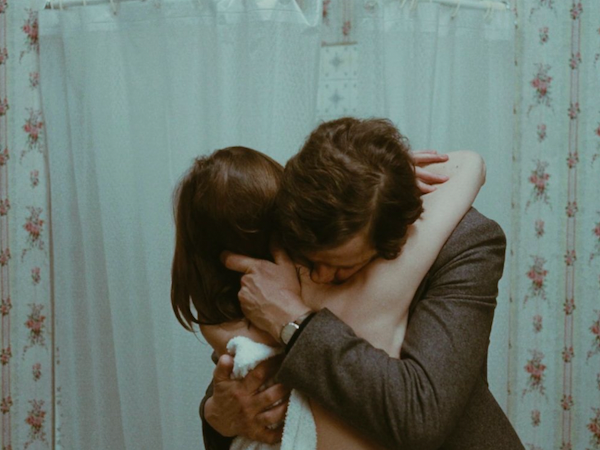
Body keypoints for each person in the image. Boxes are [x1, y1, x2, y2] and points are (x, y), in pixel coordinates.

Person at [198, 118, 524, 449]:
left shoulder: (464, 243)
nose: (320, 277)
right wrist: (216, 416)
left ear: (394, 235)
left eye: (341, 267)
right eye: (308, 260)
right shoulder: (294, 226)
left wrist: (291, 320)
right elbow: (245, 365)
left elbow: (421, 415)